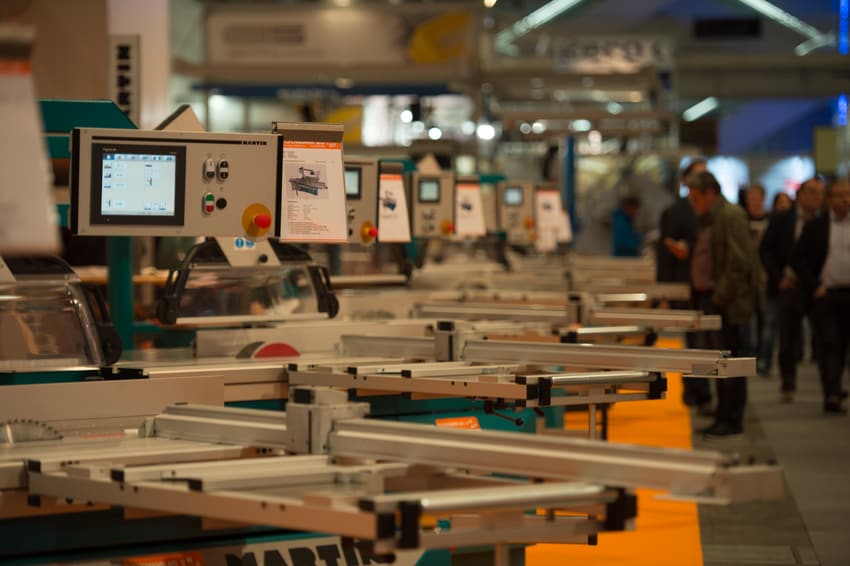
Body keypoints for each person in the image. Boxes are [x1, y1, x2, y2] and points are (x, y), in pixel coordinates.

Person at [688, 171, 764, 437]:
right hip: (718, 299)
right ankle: (724, 415)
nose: (693, 204)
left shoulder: (729, 215)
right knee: (720, 363)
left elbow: (739, 262)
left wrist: (721, 295)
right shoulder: (714, 216)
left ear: (710, 193)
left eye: (696, 198)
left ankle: (731, 419)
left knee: (730, 364)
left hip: (729, 303)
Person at [759, 179, 825, 402]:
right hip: (789, 285)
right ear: (800, 194)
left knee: (827, 339)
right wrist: (777, 278)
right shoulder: (782, 219)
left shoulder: (825, 221)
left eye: (820, 194)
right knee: (787, 339)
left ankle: (831, 390)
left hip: (818, 286)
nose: (817, 198)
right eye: (812, 193)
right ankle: (788, 384)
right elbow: (765, 249)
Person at [790, 180, 850, 414]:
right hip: (827, 294)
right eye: (839, 195)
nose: (845, 199)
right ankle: (832, 392)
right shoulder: (816, 226)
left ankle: (836, 387)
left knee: (843, 345)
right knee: (829, 343)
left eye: (848, 194)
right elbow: (797, 258)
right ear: (830, 200)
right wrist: (814, 285)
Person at [656, 158, 712, 412]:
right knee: (695, 341)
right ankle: (696, 393)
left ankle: (704, 391)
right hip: (684, 286)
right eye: (697, 176)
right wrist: (663, 294)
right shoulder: (673, 212)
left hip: (711, 286)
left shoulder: (715, 212)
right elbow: (664, 255)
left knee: (710, 341)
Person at [745, 183, 770, 376]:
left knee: (767, 320)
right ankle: (750, 355)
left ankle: (764, 358)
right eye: (750, 197)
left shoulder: (771, 220)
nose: (753, 201)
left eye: (756, 197)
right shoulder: (741, 220)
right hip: (747, 278)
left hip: (766, 276)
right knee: (748, 319)